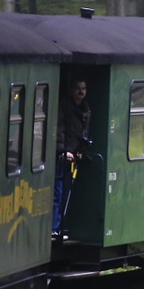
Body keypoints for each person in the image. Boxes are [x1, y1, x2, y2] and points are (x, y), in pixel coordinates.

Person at [53, 77, 91, 240]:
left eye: (83, 88)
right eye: (77, 88)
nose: (80, 92)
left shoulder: (85, 110)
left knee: (66, 193)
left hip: (74, 157)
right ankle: (54, 228)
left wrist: (80, 151)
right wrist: (62, 151)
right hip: (62, 157)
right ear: (71, 90)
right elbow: (59, 129)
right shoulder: (64, 107)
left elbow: (83, 133)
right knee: (58, 193)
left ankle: (61, 227)